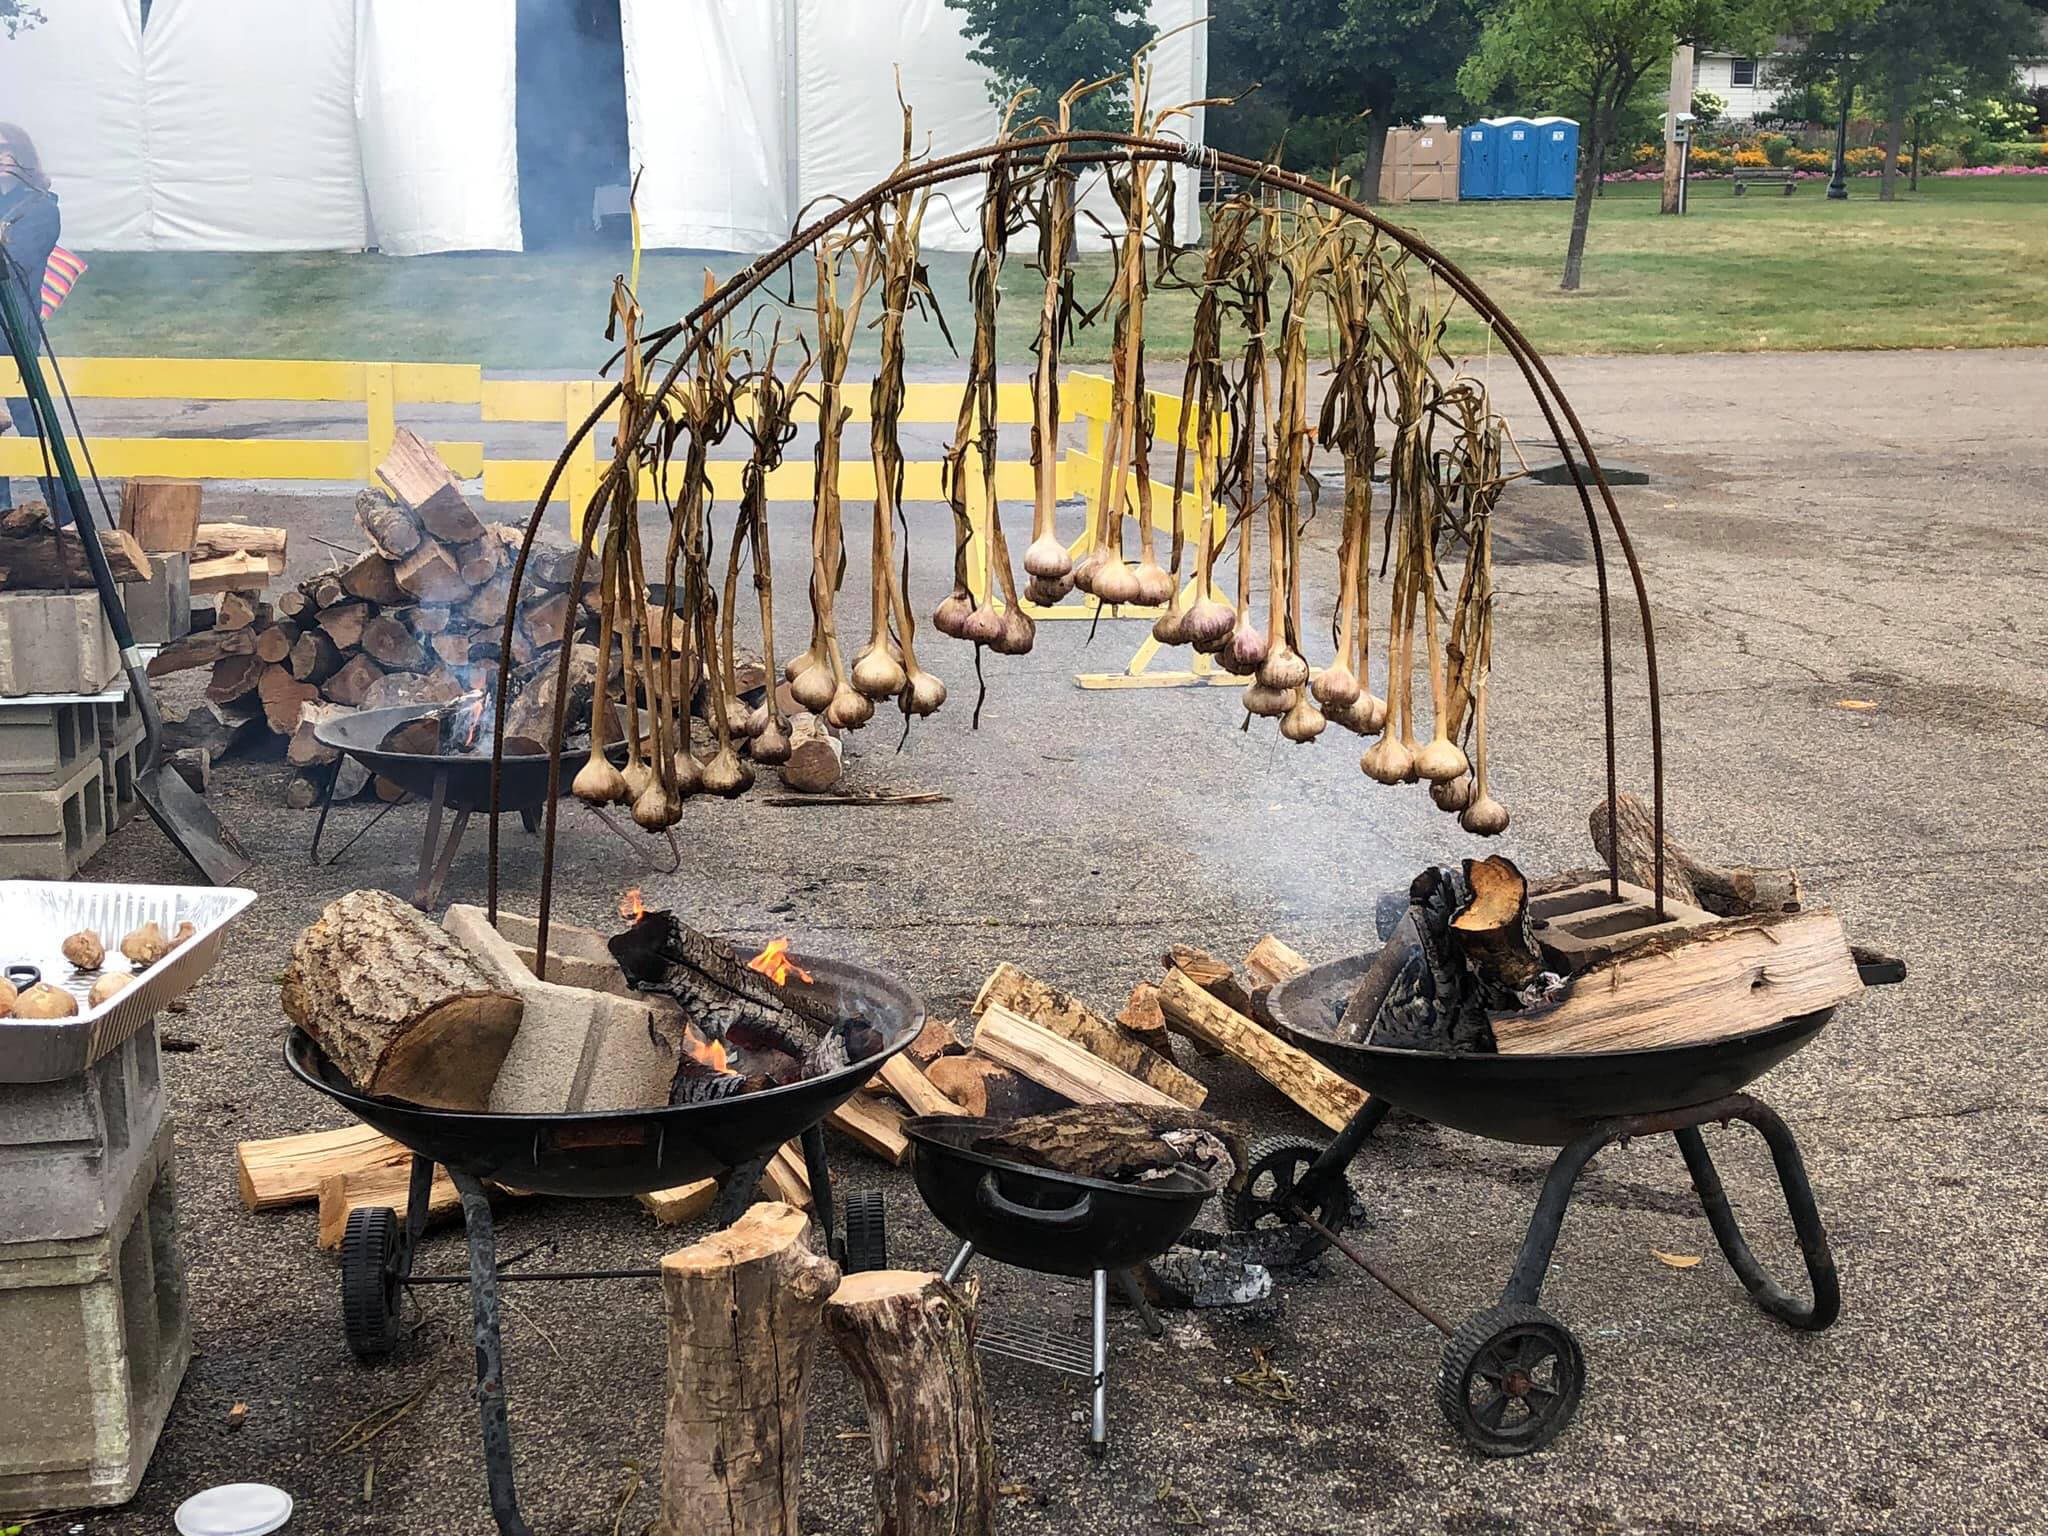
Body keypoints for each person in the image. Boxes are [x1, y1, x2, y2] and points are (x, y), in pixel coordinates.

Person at [0, 122, 61, 513]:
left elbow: (16, 263)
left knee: (34, 426)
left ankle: (66, 512)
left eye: (4, 150)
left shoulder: (40, 208)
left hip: (13, 335)